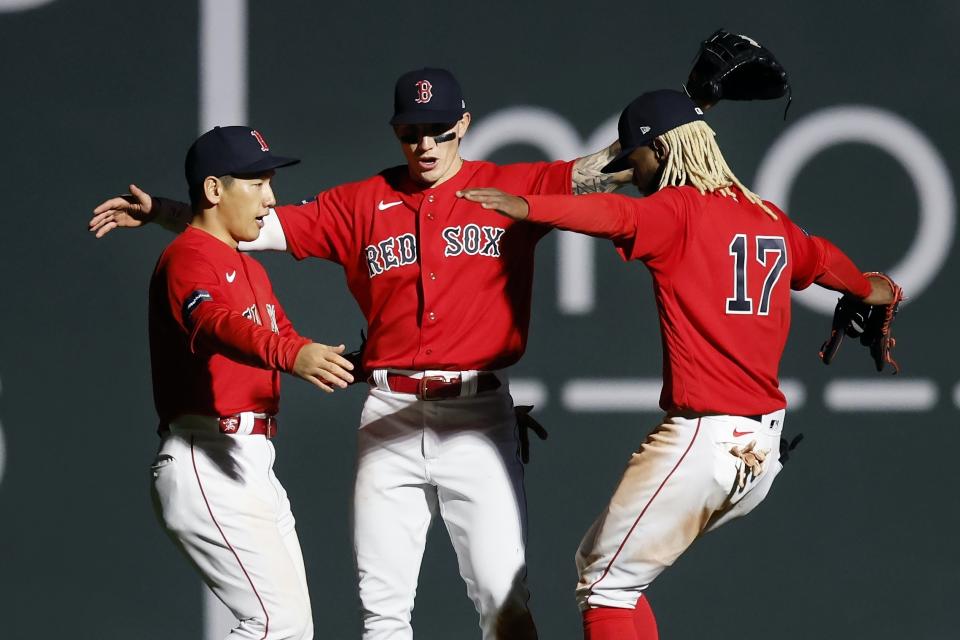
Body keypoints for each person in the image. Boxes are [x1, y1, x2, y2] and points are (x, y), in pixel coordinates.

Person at [89, 66, 643, 640]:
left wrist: (687, 104)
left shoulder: (508, 185)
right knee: (382, 614)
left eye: (437, 129)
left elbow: (607, 168)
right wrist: (162, 212)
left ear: (464, 124)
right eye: (410, 131)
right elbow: (245, 224)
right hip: (389, 412)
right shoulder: (361, 203)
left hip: (476, 411)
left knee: (504, 601)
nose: (423, 144)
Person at [458, 89, 900, 640]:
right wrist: (874, 289)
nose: (631, 171)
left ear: (661, 150)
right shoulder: (767, 217)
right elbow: (833, 264)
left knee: (603, 585)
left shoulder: (678, 211)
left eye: (635, 158)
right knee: (618, 581)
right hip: (760, 453)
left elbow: (611, 214)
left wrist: (527, 206)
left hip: (707, 439)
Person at [145, 125, 355, 640]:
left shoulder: (246, 265)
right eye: (258, 183)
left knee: (291, 629)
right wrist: (291, 353)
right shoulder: (188, 258)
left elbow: (282, 335)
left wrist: (362, 362)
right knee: (274, 625)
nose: (271, 198)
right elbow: (213, 323)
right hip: (207, 453)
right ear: (215, 190)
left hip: (251, 461)